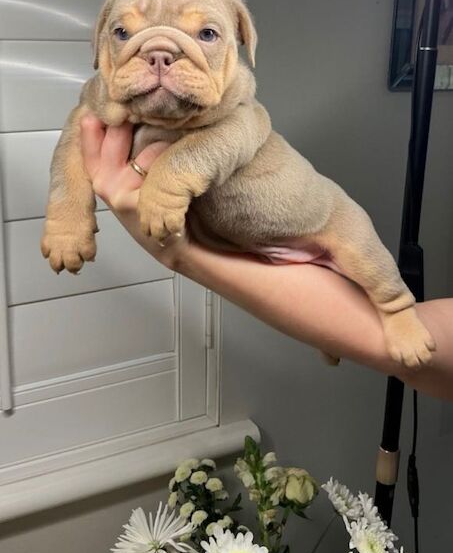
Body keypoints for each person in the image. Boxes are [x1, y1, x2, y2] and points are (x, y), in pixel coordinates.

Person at [80, 114, 453, 401]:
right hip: (251, 242)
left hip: (323, 221)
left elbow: (426, 354)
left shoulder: (238, 110)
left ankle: (394, 306)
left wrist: (183, 254)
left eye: (206, 34)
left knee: (362, 256)